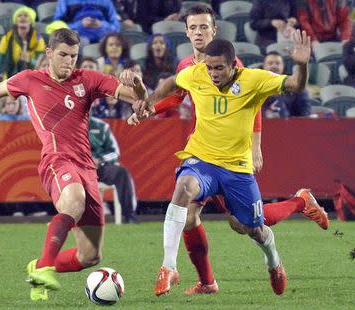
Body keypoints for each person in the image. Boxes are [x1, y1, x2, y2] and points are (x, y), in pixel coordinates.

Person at [127, 5, 328, 296]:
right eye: (193, 28)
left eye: (203, 27)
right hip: (203, 155)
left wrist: (256, 146)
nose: (198, 32)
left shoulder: (245, 75)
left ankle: (298, 206)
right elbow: (173, 90)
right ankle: (189, 275)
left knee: (247, 225)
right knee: (188, 207)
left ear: (214, 30)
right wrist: (149, 108)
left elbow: (261, 102)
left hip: (235, 159)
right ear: (186, 32)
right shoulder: (191, 69)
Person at [0, 28, 148, 302]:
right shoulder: (29, 80)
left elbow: (136, 98)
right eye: (63, 55)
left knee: (90, 256)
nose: (69, 61)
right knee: (73, 201)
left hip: (87, 167)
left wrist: (139, 86)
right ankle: (45, 268)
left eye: (73, 55)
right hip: (56, 159)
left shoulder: (88, 79)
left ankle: (38, 266)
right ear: (49, 53)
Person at [89, 116, 139, 223]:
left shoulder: (101, 126)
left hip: (99, 167)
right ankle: (67, 215)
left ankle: (129, 214)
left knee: (121, 172)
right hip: (77, 167)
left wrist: (100, 159)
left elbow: (114, 153)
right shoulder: (69, 126)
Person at [0, 6, 46, 84]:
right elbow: (0, 58)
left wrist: (30, 60)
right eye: (19, 15)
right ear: (16, 21)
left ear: (31, 21)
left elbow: (41, 64)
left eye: (26, 15)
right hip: (9, 76)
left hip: (32, 78)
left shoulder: (38, 39)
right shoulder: (7, 37)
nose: (22, 18)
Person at [262, 52, 311, 118]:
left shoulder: (294, 87)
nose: (274, 66)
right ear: (264, 66)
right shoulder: (256, 87)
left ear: (283, 66)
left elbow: (306, 114)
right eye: (270, 63)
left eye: (277, 63)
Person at [53, 0, 121, 44]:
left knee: (112, 43)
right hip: (76, 35)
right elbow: (57, 25)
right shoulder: (66, 1)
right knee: (78, 41)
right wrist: (80, 24)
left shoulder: (106, 1)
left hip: (103, 35)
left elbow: (116, 26)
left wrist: (102, 24)